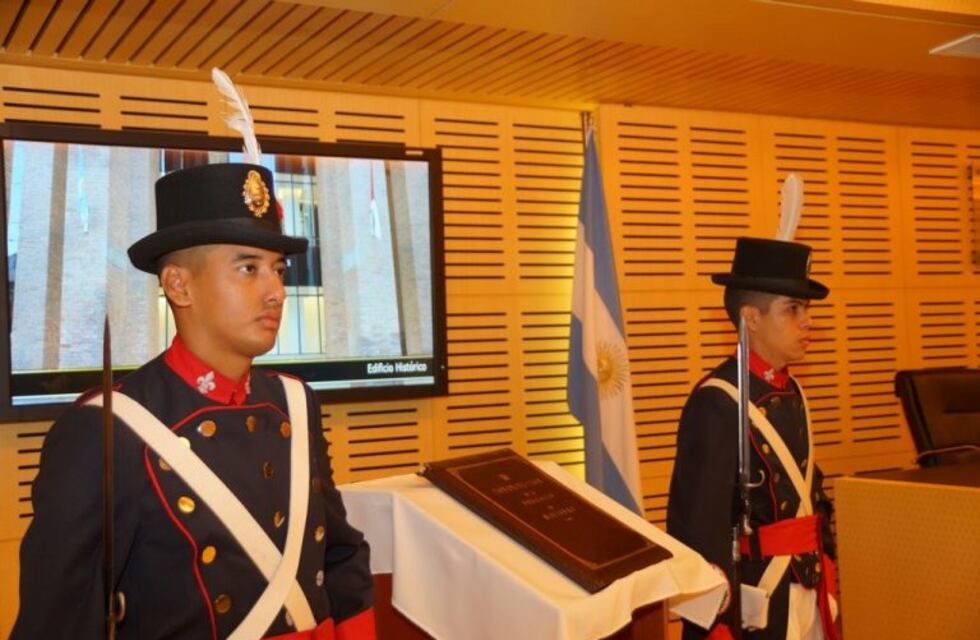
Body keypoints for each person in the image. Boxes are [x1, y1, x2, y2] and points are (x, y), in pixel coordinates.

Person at [11, 162, 376, 640]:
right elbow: (60, 620)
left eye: (278, 270)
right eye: (248, 269)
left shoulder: (295, 401)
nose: (275, 292)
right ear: (179, 285)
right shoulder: (106, 428)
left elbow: (339, 557)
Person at [667, 237, 838, 640]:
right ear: (751, 318)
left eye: (807, 309)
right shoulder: (718, 400)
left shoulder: (791, 389)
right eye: (792, 309)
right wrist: (714, 623)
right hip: (755, 599)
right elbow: (699, 526)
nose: (807, 321)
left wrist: (827, 563)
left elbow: (809, 493)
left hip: (805, 586)